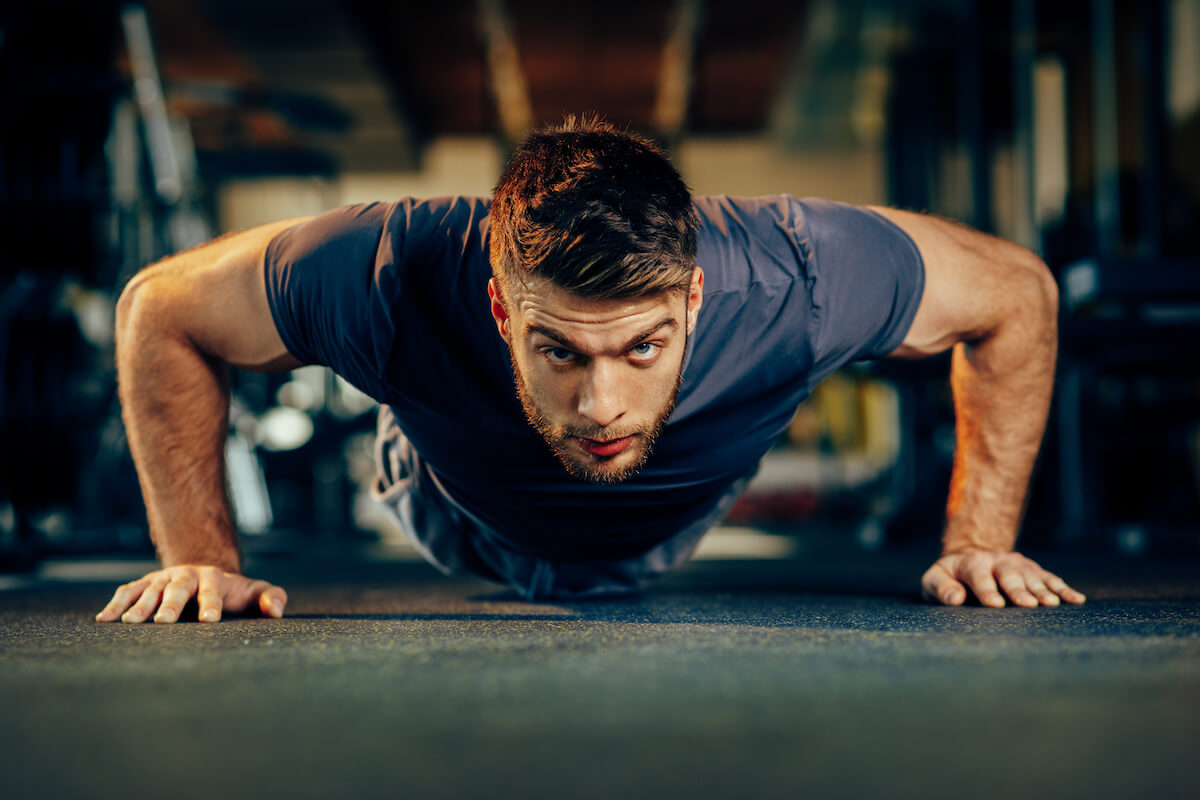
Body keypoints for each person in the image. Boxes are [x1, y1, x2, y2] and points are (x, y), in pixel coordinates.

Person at [96, 117, 1085, 624]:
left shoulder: (802, 274)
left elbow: (1016, 294)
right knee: (428, 413)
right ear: (501, 307)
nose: (601, 402)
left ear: (693, 299)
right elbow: (159, 313)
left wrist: (979, 541)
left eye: (641, 346)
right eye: (560, 347)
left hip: (673, 521)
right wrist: (204, 562)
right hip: (454, 510)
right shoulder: (386, 268)